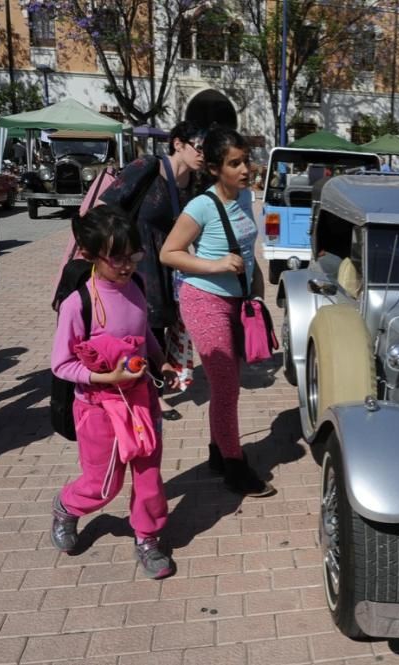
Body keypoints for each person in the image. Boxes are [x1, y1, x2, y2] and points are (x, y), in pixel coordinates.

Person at [50, 206, 178, 579]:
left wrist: (161, 361)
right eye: (117, 258)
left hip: (140, 401)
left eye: (133, 255)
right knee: (103, 484)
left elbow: (145, 332)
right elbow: (60, 366)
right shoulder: (79, 304)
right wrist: (105, 379)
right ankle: (66, 507)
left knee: (149, 476)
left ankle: (148, 538)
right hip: (97, 407)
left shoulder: (136, 285)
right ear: (90, 255)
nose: (127, 266)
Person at [160, 127, 275, 497]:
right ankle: (235, 468)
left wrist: (255, 283)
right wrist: (215, 266)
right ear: (214, 168)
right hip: (203, 299)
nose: (245, 169)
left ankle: (217, 452)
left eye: (246, 161)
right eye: (235, 163)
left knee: (228, 384)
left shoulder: (244, 197)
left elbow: (244, 244)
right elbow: (169, 253)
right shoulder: (201, 206)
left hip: (237, 300)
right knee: (226, 388)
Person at [99, 121, 205, 421]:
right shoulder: (147, 166)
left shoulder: (194, 183)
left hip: (167, 268)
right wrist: (115, 255)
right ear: (178, 144)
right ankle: (143, 395)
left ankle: (153, 392)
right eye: (198, 147)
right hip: (133, 264)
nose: (202, 155)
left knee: (157, 332)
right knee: (138, 331)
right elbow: (105, 207)